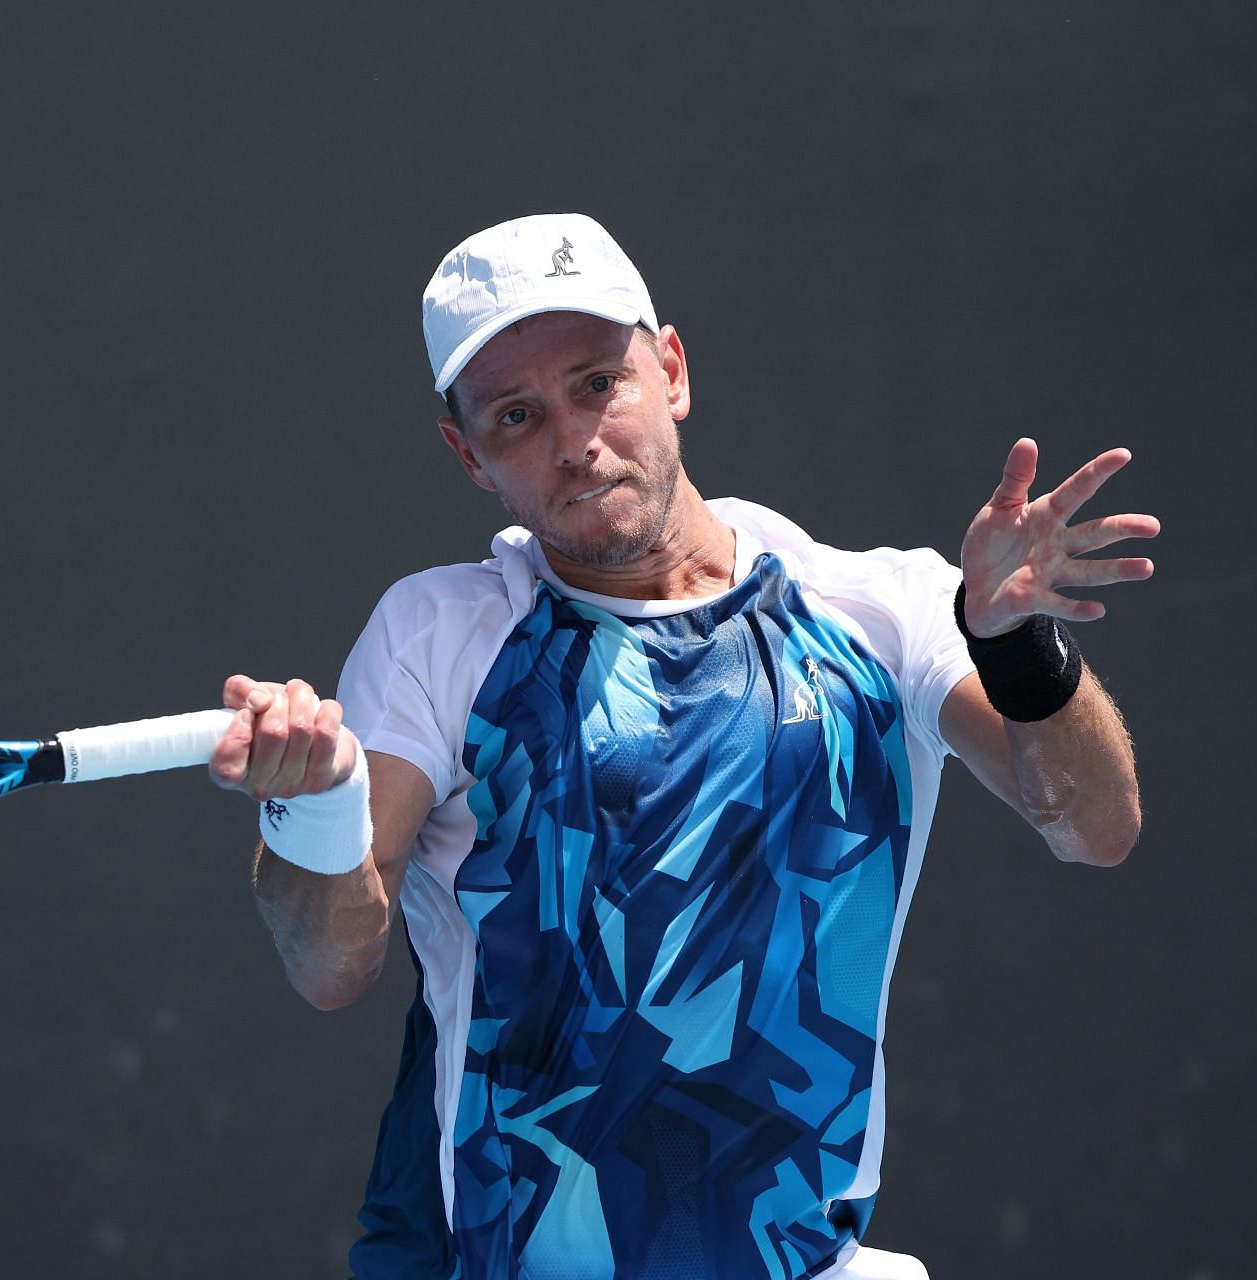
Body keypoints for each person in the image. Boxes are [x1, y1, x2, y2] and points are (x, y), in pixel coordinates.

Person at [208, 213, 1156, 1280]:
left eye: (598, 382)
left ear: (671, 369)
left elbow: (1093, 824)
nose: (573, 440)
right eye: (517, 415)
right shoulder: (441, 634)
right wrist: (312, 809)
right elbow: (332, 963)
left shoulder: (880, 608)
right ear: (466, 453)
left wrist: (1022, 643)